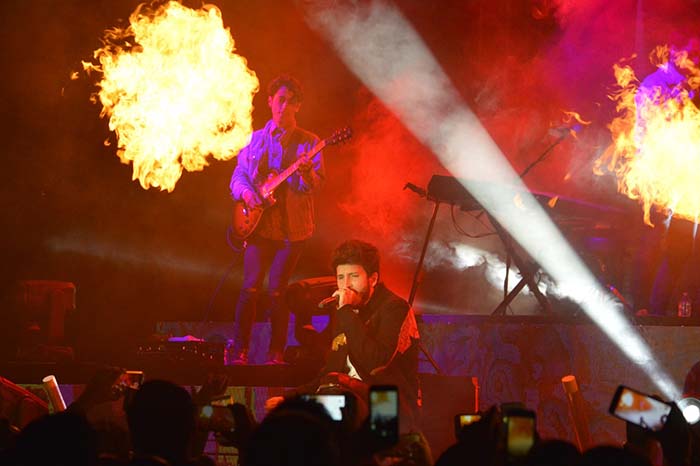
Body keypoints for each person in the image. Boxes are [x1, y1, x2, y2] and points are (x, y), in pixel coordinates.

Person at [229, 74, 324, 364]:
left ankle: (276, 354)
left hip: (291, 232)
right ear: (270, 101)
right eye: (281, 99)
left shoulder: (309, 143)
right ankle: (240, 351)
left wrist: (305, 173)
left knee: (277, 291)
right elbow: (238, 176)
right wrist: (247, 194)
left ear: (298, 106)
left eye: (291, 101)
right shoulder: (254, 140)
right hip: (258, 227)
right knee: (249, 287)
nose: (285, 106)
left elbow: (313, 186)